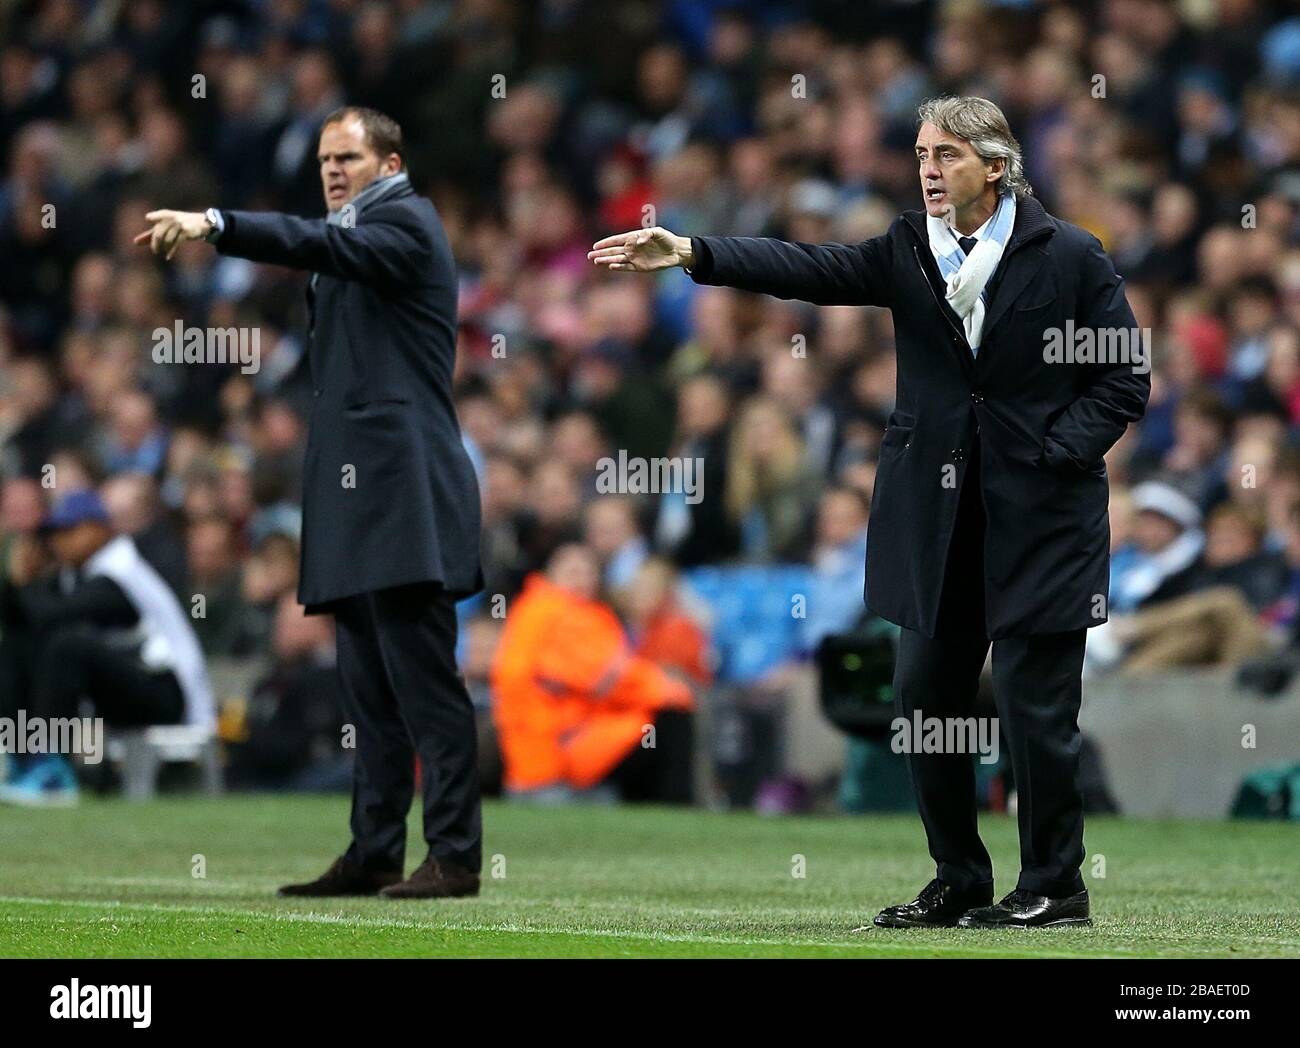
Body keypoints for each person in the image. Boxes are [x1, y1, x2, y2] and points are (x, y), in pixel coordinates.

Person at [591, 96, 1150, 929]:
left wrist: (1052, 451)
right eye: (922, 154)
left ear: (995, 167)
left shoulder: (1070, 254)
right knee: (925, 698)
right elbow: (810, 269)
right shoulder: (905, 249)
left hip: (1043, 521)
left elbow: (1123, 377)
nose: (928, 169)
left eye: (948, 156)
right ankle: (959, 876)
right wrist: (693, 251)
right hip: (934, 514)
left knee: (1037, 706)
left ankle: (1055, 885)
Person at [135, 106, 483, 900]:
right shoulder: (355, 237)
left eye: (350, 158)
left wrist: (217, 223)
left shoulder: (408, 222)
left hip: (404, 491)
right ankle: (374, 850)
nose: (332, 170)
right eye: (326, 159)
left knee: (423, 681)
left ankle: (456, 854)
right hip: (360, 496)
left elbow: (317, 241)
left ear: (390, 165)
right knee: (368, 689)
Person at [0, 490, 214, 806]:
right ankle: (23, 759)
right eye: (54, 534)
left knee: (67, 646)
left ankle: (51, 767)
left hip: (167, 692)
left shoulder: (119, 573)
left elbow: (46, 615)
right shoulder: (77, 575)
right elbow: (25, 621)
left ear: (99, 528)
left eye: (69, 530)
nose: (59, 541)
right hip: (130, 686)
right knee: (17, 646)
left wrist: (16, 582)